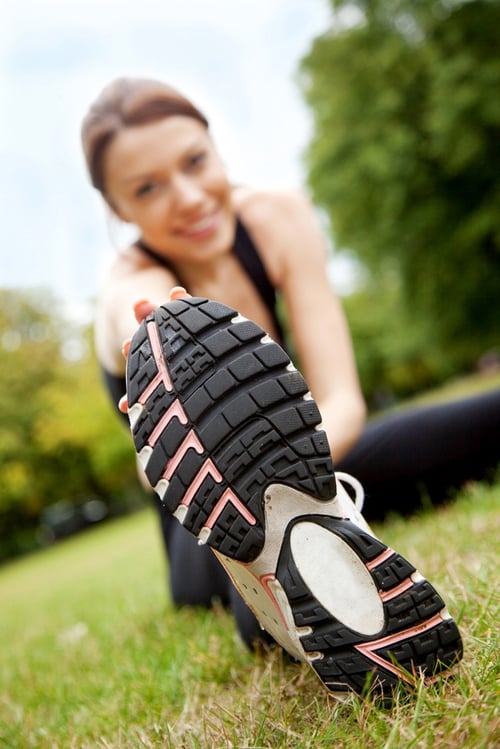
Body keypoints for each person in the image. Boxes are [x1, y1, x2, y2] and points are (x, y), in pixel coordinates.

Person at [81, 77, 498, 697]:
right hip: (206, 528)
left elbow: (341, 398)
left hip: (318, 453)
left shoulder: (278, 218)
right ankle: (281, 591)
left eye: (195, 162)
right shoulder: (129, 280)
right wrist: (149, 331)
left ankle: (311, 523)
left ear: (216, 149)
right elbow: (124, 306)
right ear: (119, 209)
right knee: (251, 559)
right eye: (148, 188)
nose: (190, 197)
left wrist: (293, 476)